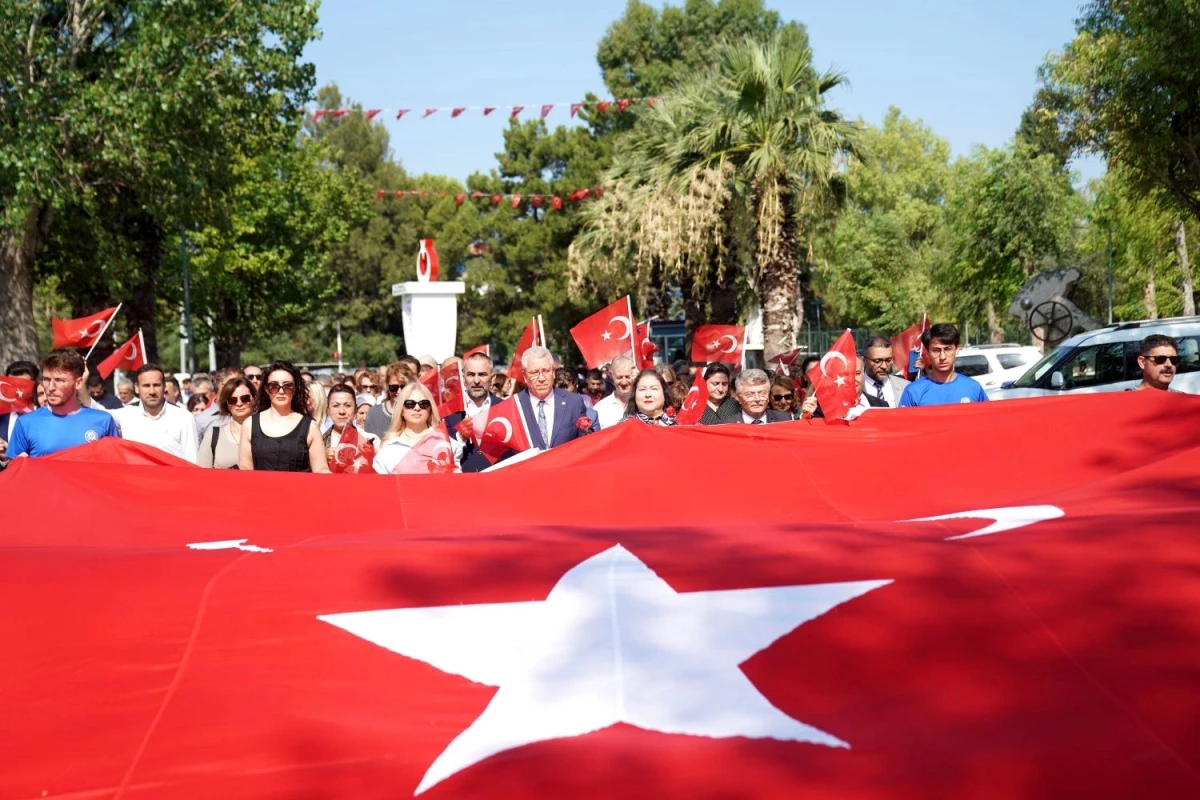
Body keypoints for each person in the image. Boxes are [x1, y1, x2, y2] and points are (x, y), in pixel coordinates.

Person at [7, 349, 120, 458]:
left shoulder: (103, 420)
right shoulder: (25, 423)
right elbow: (14, 473)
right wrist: (18, 464)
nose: (51, 388)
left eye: (59, 380)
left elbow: (116, 467)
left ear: (78, 383)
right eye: (46, 379)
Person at [239, 361, 329, 473]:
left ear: (295, 389)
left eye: (288, 386)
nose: (281, 391)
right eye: (274, 386)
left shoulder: (311, 427)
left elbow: (321, 470)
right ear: (266, 389)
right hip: (260, 490)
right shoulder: (249, 424)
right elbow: (245, 471)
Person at [113, 364, 200, 462]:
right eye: (146, 386)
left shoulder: (184, 418)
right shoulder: (124, 416)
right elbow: (96, 414)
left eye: (156, 385)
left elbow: (193, 461)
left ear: (164, 387)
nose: (152, 391)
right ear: (137, 388)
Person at [514, 346, 596, 448]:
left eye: (546, 371)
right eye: (534, 372)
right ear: (525, 376)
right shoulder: (514, 406)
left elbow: (586, 445)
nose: (541, 378)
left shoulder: (574, 403)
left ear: (553, 372)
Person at [372, 382, 462, 473]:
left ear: (430, 409)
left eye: (423, 403)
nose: (417, 408)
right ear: (401, 409)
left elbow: (456, 482)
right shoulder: (388, 448)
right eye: (410, 403)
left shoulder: (447, 444)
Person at [898, 323, 989, 407]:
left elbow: (988, 420)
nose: (942, 357)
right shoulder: (913, 392)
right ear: (928, 352)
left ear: (956, 349)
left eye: (948, 349)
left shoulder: (973, 388)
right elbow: (902, 423)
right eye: (936, 350)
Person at [801, 354, 890, 421]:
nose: (851, 380)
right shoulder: (820, 409)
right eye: (845, 375)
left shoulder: (881, 406)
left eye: (857, 373)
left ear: (864, 374)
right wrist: (807, 417)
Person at [199, 377, 256, 468]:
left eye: (245, 398)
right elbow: (201, 475)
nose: (239, 403)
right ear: (227, 404)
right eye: (232, 400)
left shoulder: (268, 433)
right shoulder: (213, 436)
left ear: (254, 399)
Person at [323, 383, 381, 458]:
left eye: (347, 406)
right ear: (328, 410)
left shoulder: (371, 440)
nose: (342, 411)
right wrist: (321, 458)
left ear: (355, 409)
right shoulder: (319, 442)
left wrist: (371, 455)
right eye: (336, 406)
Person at [0, 360, 40, 464]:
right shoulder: (1, 416)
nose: (17, 391)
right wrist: (4, 457)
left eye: (22, 386)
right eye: (12, 385)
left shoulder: (46, 415)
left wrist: (13, 454)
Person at [720, 368, 793, 425]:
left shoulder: (784, 419)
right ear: (739, 398)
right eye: (750, 395)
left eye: (762, 393)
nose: (757, 399)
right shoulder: (727, 425)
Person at [363, 361, 415, 439]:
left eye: (403, 387)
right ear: (387, 386)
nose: (399, 392)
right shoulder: (374, 413)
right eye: (394, 387)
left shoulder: (417, 411)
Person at [862, 335, 910, 408]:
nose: (884, 366)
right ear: (864, 360)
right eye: (877, 361)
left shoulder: (906, 387)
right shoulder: (854, 388)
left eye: (888, 360)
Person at [593, 354, 637, 429]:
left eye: (628, 377)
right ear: (612, 377)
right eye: (619, 377)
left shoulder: (644, 405)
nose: (624, 382)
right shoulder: (600, 408)